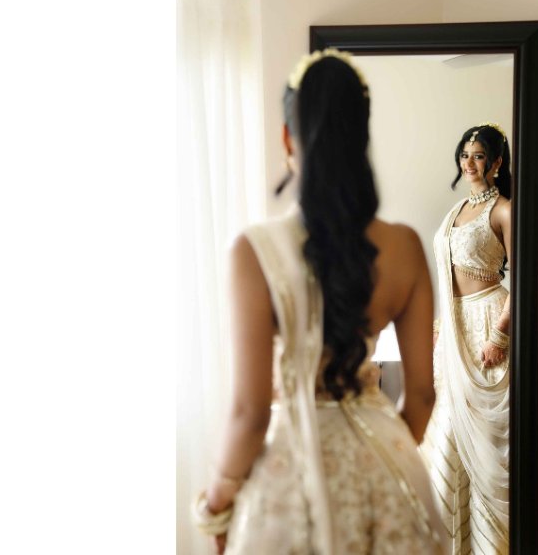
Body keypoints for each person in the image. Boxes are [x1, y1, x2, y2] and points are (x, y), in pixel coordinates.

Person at [191, 49, 448, 554]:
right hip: (389, 458)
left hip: (292, 473)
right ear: (361, 136)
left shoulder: (254, 250)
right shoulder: (405, 247)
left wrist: (215, 504)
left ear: (289, 138)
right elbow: (421, 397)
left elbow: (250, 412)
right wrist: (386, 457)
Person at [420, 123, 513, 553]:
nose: (469, 163)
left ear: (496, 163)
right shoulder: (456, 210)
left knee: (486, 444)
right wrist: (440, 329)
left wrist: (500, 336)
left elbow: (524, 280)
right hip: (454, 331)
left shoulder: (504, 210)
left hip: (489, 324)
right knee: (446, 436)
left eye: (478, 156)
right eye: (464, 155)